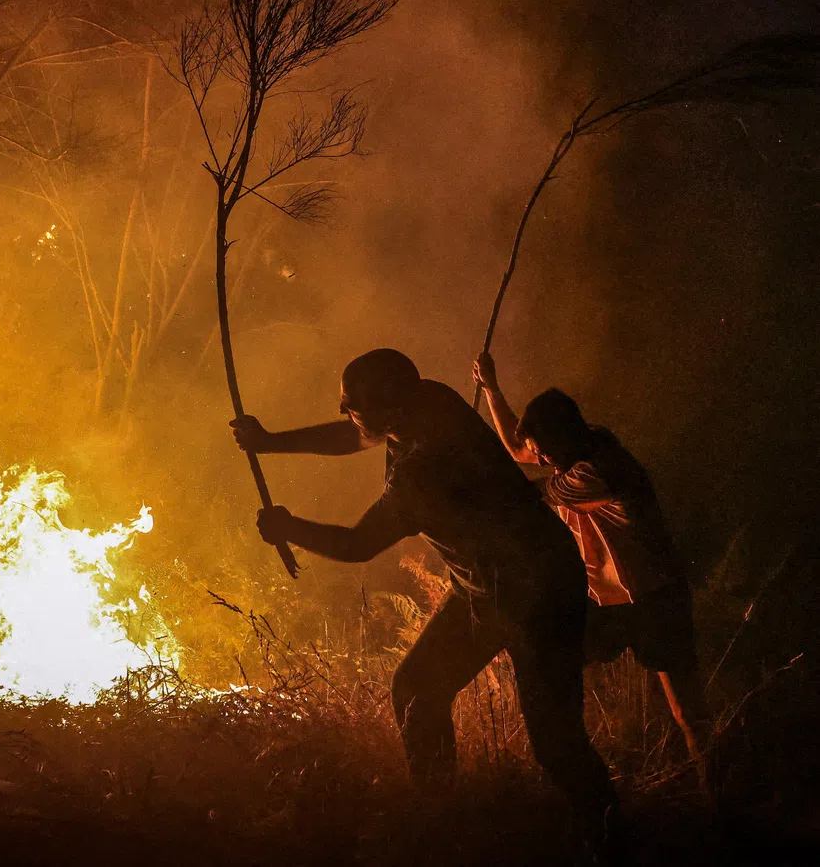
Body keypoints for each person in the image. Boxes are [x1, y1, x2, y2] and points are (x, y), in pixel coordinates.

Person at [234, 348, 619, 849]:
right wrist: (269, 443)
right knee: (417, 688)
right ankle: (444, 823)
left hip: (537, 592)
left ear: (389, 409)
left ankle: (610, 840)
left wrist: (290, 527)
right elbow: (355, 434)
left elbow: (357, 544)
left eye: (350, 404)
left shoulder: (423, 469)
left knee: (556, 742)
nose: (342, 411)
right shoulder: (432, 399)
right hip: (491, 585)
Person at [472, 351, 710, 779]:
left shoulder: (600, 471)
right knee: (551, 660)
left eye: (546, 452)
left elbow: (526, 490)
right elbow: (518, 448)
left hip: (656, 598)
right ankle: (571, 764)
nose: (540, 460)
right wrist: (491, 387)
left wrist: (470, 477)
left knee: (689, 713)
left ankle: (719, 800)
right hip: (607, 602)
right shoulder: (577, 450)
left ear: (565, 439)